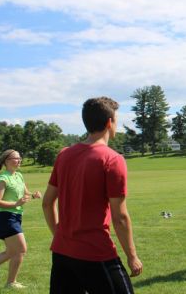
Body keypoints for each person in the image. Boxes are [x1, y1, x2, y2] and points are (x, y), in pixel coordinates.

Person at [42, 97, 142, 293]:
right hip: (95, 254)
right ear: (108, 122)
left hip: (62, 253)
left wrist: (61, 237)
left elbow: (47, 203)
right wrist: (132, 256)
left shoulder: (64, 154)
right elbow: (120, 218)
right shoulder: (112, 159)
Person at [0, 150, 42, 289]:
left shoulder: (19, 175)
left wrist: (33, 195)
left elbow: (25, 192)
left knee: (10, 252)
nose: (19, 161)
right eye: (15, 158)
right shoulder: (3, 178)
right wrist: (16, 203)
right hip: (6, 217)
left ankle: (10, 283)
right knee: (21, 249)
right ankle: (10, 283)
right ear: (6, 161)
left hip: (16, 216)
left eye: (20, 158)